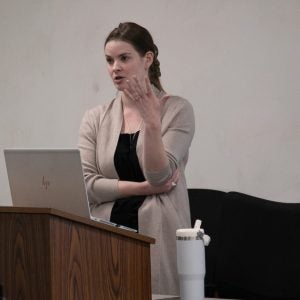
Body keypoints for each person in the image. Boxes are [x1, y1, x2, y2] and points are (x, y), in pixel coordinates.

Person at [78, 22, 195, 295]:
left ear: (148, 59)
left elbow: (160, 176)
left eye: (124, 58)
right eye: (109, 60)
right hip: (104, 236)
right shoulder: (95, 118)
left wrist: (152, 124)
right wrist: (143, 188)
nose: (114, 67)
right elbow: (85, 186)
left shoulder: (177, 109)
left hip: (157, 234)